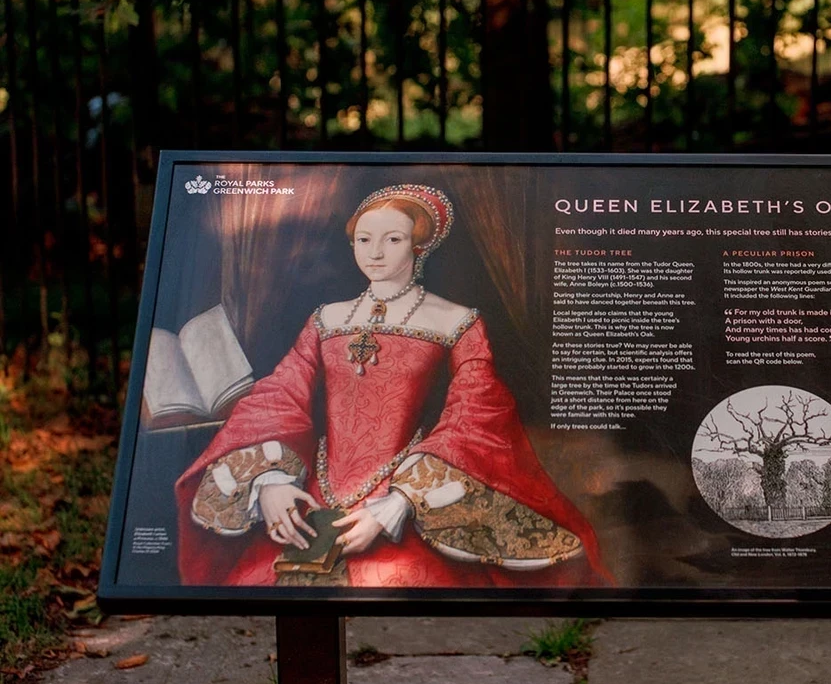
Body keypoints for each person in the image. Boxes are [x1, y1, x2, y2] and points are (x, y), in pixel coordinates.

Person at [174, 183, 611, 587]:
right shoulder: (326, 318)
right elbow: (279, 394)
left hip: (399, 494)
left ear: (420, 245)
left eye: (392, 240)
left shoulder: (456, 320)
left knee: (400, 578)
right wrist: (269, 481)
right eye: (364, 240)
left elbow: (476, 413)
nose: (375, 253)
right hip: (310, 499)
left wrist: (400, 504)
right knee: (260, 579)